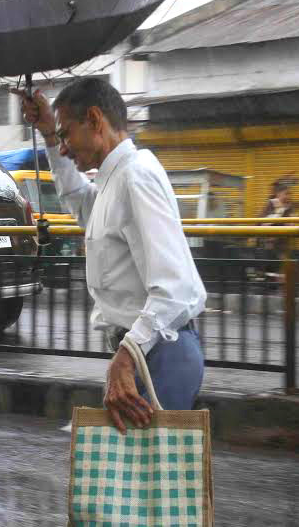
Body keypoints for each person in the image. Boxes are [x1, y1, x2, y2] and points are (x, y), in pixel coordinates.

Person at [14, 78, 206, 432]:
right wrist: (49, 135)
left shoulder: (135, 178)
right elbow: (78, 199)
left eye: (67, 134)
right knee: (134, 478)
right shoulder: (114, 178)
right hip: (147, 352)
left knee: (139, 478)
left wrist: (126, 357)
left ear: (95, 119)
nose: (66, 147)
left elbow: (175, 289)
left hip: (161, 354)